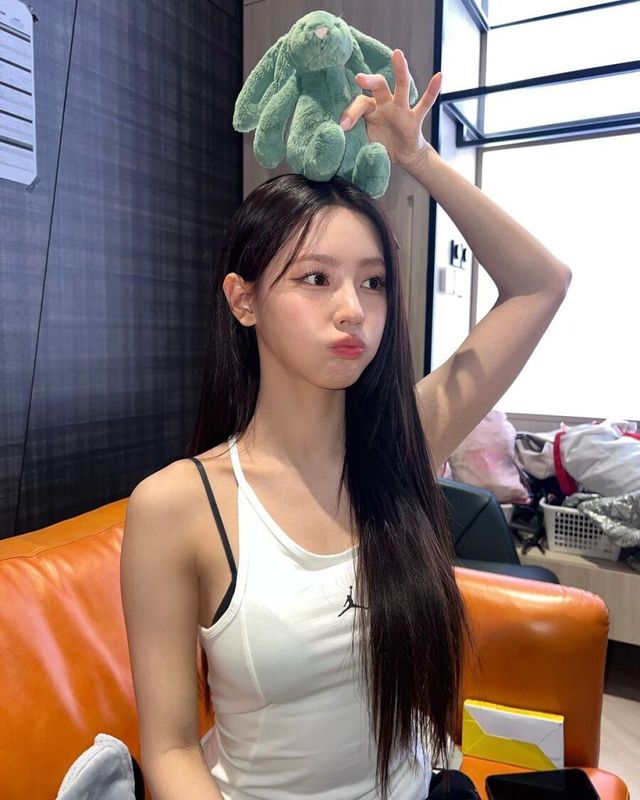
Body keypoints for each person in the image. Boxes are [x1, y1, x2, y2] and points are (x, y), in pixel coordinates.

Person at [120, 49, 572, 800]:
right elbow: (168, 750)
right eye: (315, 278)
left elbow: (541, 285)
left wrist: (418, 158)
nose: (352, 309)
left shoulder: (403, 443)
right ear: (243, 299)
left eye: (372, 281)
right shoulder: (176, 506)